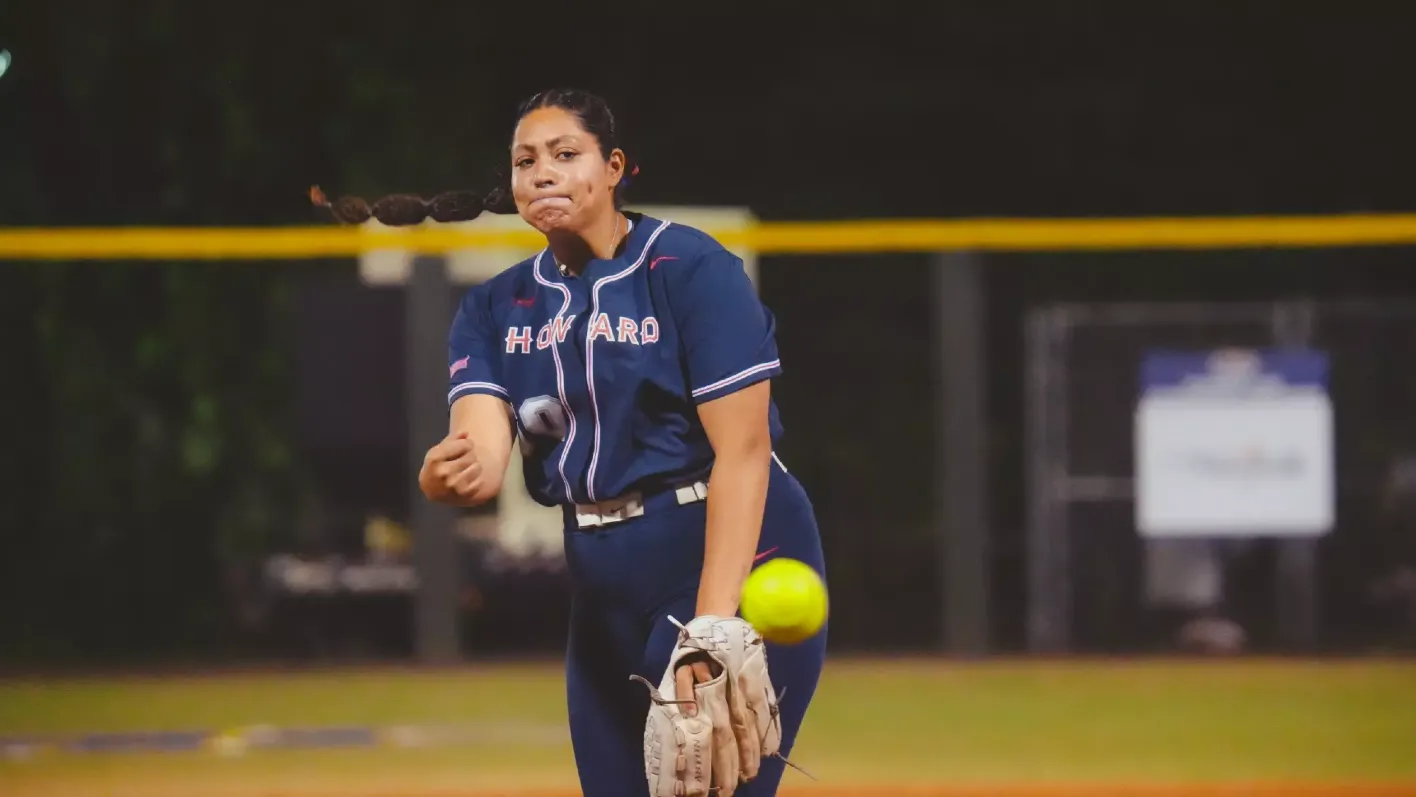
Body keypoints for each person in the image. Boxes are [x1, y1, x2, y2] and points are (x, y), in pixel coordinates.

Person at [312, 88, 828, 797]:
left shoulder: (688, 268)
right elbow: (481, 443)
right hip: (600, 573)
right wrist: (452, 472)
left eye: (565, 154)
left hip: (723, 543)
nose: (543, 172)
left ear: (613, 168)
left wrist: (711, 624)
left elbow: (743, 453)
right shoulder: (493, 306)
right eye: (526, 161)